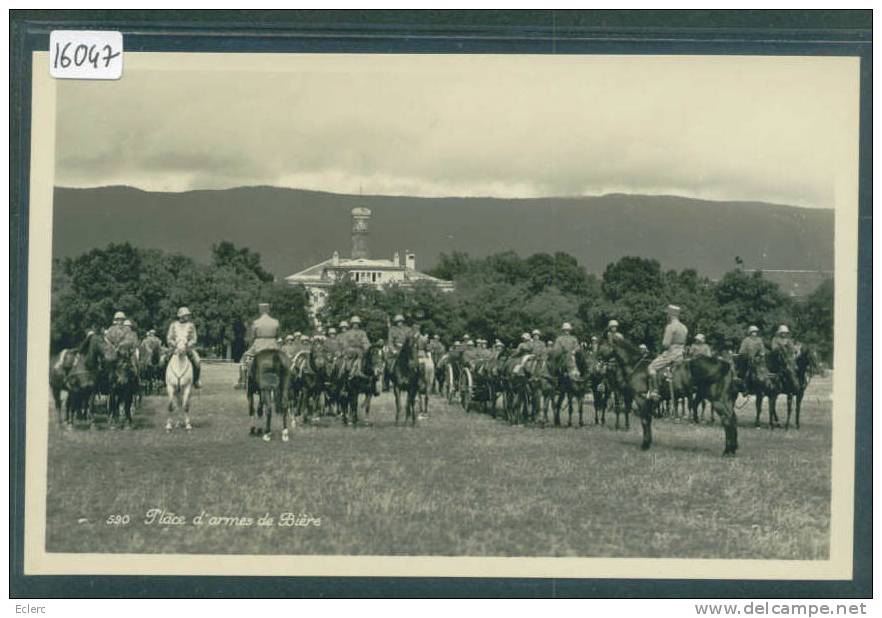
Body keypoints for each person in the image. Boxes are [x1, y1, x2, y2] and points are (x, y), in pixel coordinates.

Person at [647, 304, 688, 400]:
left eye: (667, 314)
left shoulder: (670, 327)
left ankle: (655, 391)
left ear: (670, 315)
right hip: (681, 354)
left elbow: (665, 344)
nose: (667, 316)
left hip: (671, 354)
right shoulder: (684, 327)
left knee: (651, 367)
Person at [167, 306, 201, 388]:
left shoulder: (191, 325)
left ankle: (196, 380)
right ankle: (163, 379)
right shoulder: (173, 325)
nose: (188, 316)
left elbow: (194, 338)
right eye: (186, 315)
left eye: (188, 315)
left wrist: (188, 345)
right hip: (175, 348)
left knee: (197, 361)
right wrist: (174, 344)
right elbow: (169, 337)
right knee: (163, 360)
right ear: (181, 316)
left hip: (188, 348)